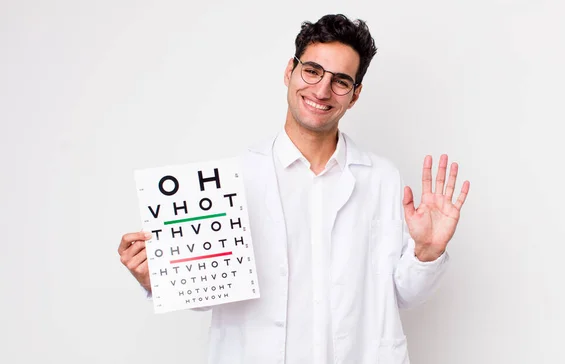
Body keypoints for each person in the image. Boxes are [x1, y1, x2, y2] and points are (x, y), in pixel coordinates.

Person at [118, 13, 470, 364]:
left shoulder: (381, 178)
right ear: (290, 71)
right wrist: (160, 277)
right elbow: (207, 294)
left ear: (355, 94)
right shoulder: (234, 179)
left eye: (341, 81)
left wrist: (427, 251)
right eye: (313, 71)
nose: (321, 90)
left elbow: (403, 294)